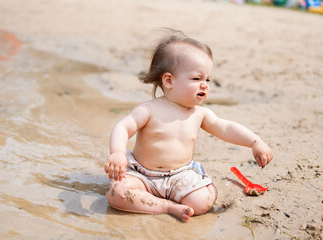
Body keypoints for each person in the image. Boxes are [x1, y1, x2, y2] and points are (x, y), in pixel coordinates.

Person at [104, 30, 273, 222]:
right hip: (142, 174)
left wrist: (254, 141)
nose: (205, 85)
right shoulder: (149, 109)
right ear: (169, 81)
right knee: (117, 193)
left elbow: (225, 128)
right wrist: (117, 153)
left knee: (203, 200)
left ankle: (164, 200)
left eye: (207, 79)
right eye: (196, 79)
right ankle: (165, 206)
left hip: (179, 175)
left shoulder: (200, 114)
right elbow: (123, 127)